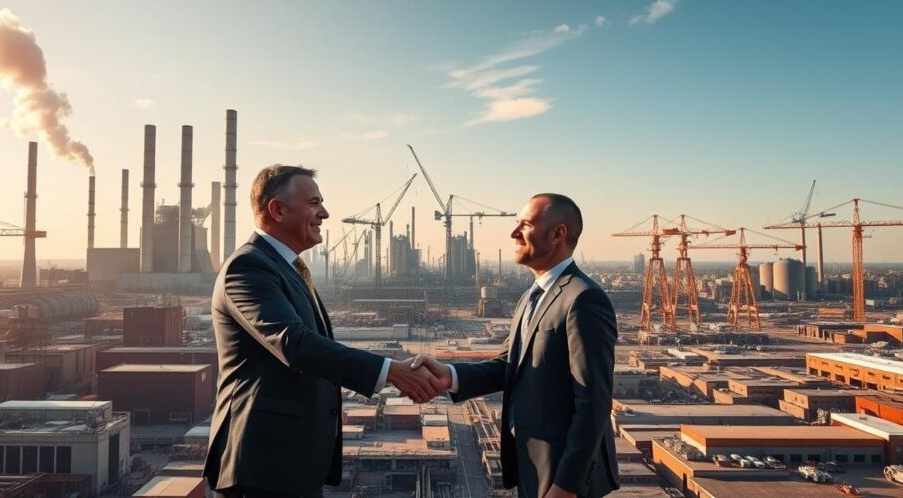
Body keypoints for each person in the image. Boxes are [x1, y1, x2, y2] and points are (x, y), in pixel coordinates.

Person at [203, 164, 445, 497]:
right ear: (277, 209)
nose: (325, 213)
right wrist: (390, 372)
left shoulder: (285, 269)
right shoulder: (248, 267)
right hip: (260, 466)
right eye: (314, 203)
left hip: (290, 464)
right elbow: (296, 344)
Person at [414, 193, 619, 498]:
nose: (513, 233)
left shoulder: (583, 299)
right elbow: (510, 364)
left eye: (524, 225)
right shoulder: (531, 296)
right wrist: (451, 376)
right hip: (531, 468)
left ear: (558, 233)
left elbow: (594, 404)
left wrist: (567, 485)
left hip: (562, 476)